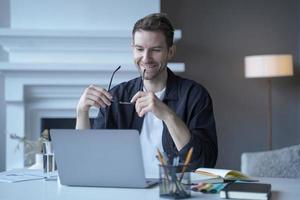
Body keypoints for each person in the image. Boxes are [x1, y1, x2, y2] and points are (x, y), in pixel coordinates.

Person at [76, 13, 218, 178]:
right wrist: (81, 112)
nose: (146, 58)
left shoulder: (195, 95)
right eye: (139, 49)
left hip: (173, 192)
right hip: (124, 190)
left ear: (170, 52)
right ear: (132, 49)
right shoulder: (116, 95)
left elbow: (203, 164)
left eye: (156, 50)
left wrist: (168, 115)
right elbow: (88, 161)